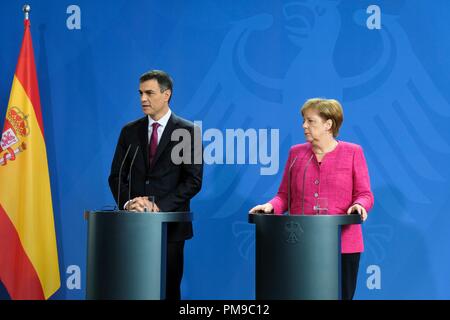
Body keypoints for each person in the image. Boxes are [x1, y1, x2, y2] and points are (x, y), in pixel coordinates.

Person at [249, 98, 374, 300]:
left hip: (343, 246)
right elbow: (284, 196)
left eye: (310, 121)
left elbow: (364, 194)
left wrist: (359, 205)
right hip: (300, 245)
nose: (304, 126)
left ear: (328, 124)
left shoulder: (352, 152)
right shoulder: (296, 154)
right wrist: (270, 207)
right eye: (303, 121)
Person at [108, 70, 203, 300]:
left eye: (149, 93)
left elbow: (193, 181)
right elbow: (116, 176)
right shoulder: (129, 131)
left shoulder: (187, 131)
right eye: (140, 93)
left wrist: (158, 207)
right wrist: (129, 203)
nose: (143, 99)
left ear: (166, 94)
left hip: (170, 228)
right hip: (134, 225)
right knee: (132, 290)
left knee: (168, 290)